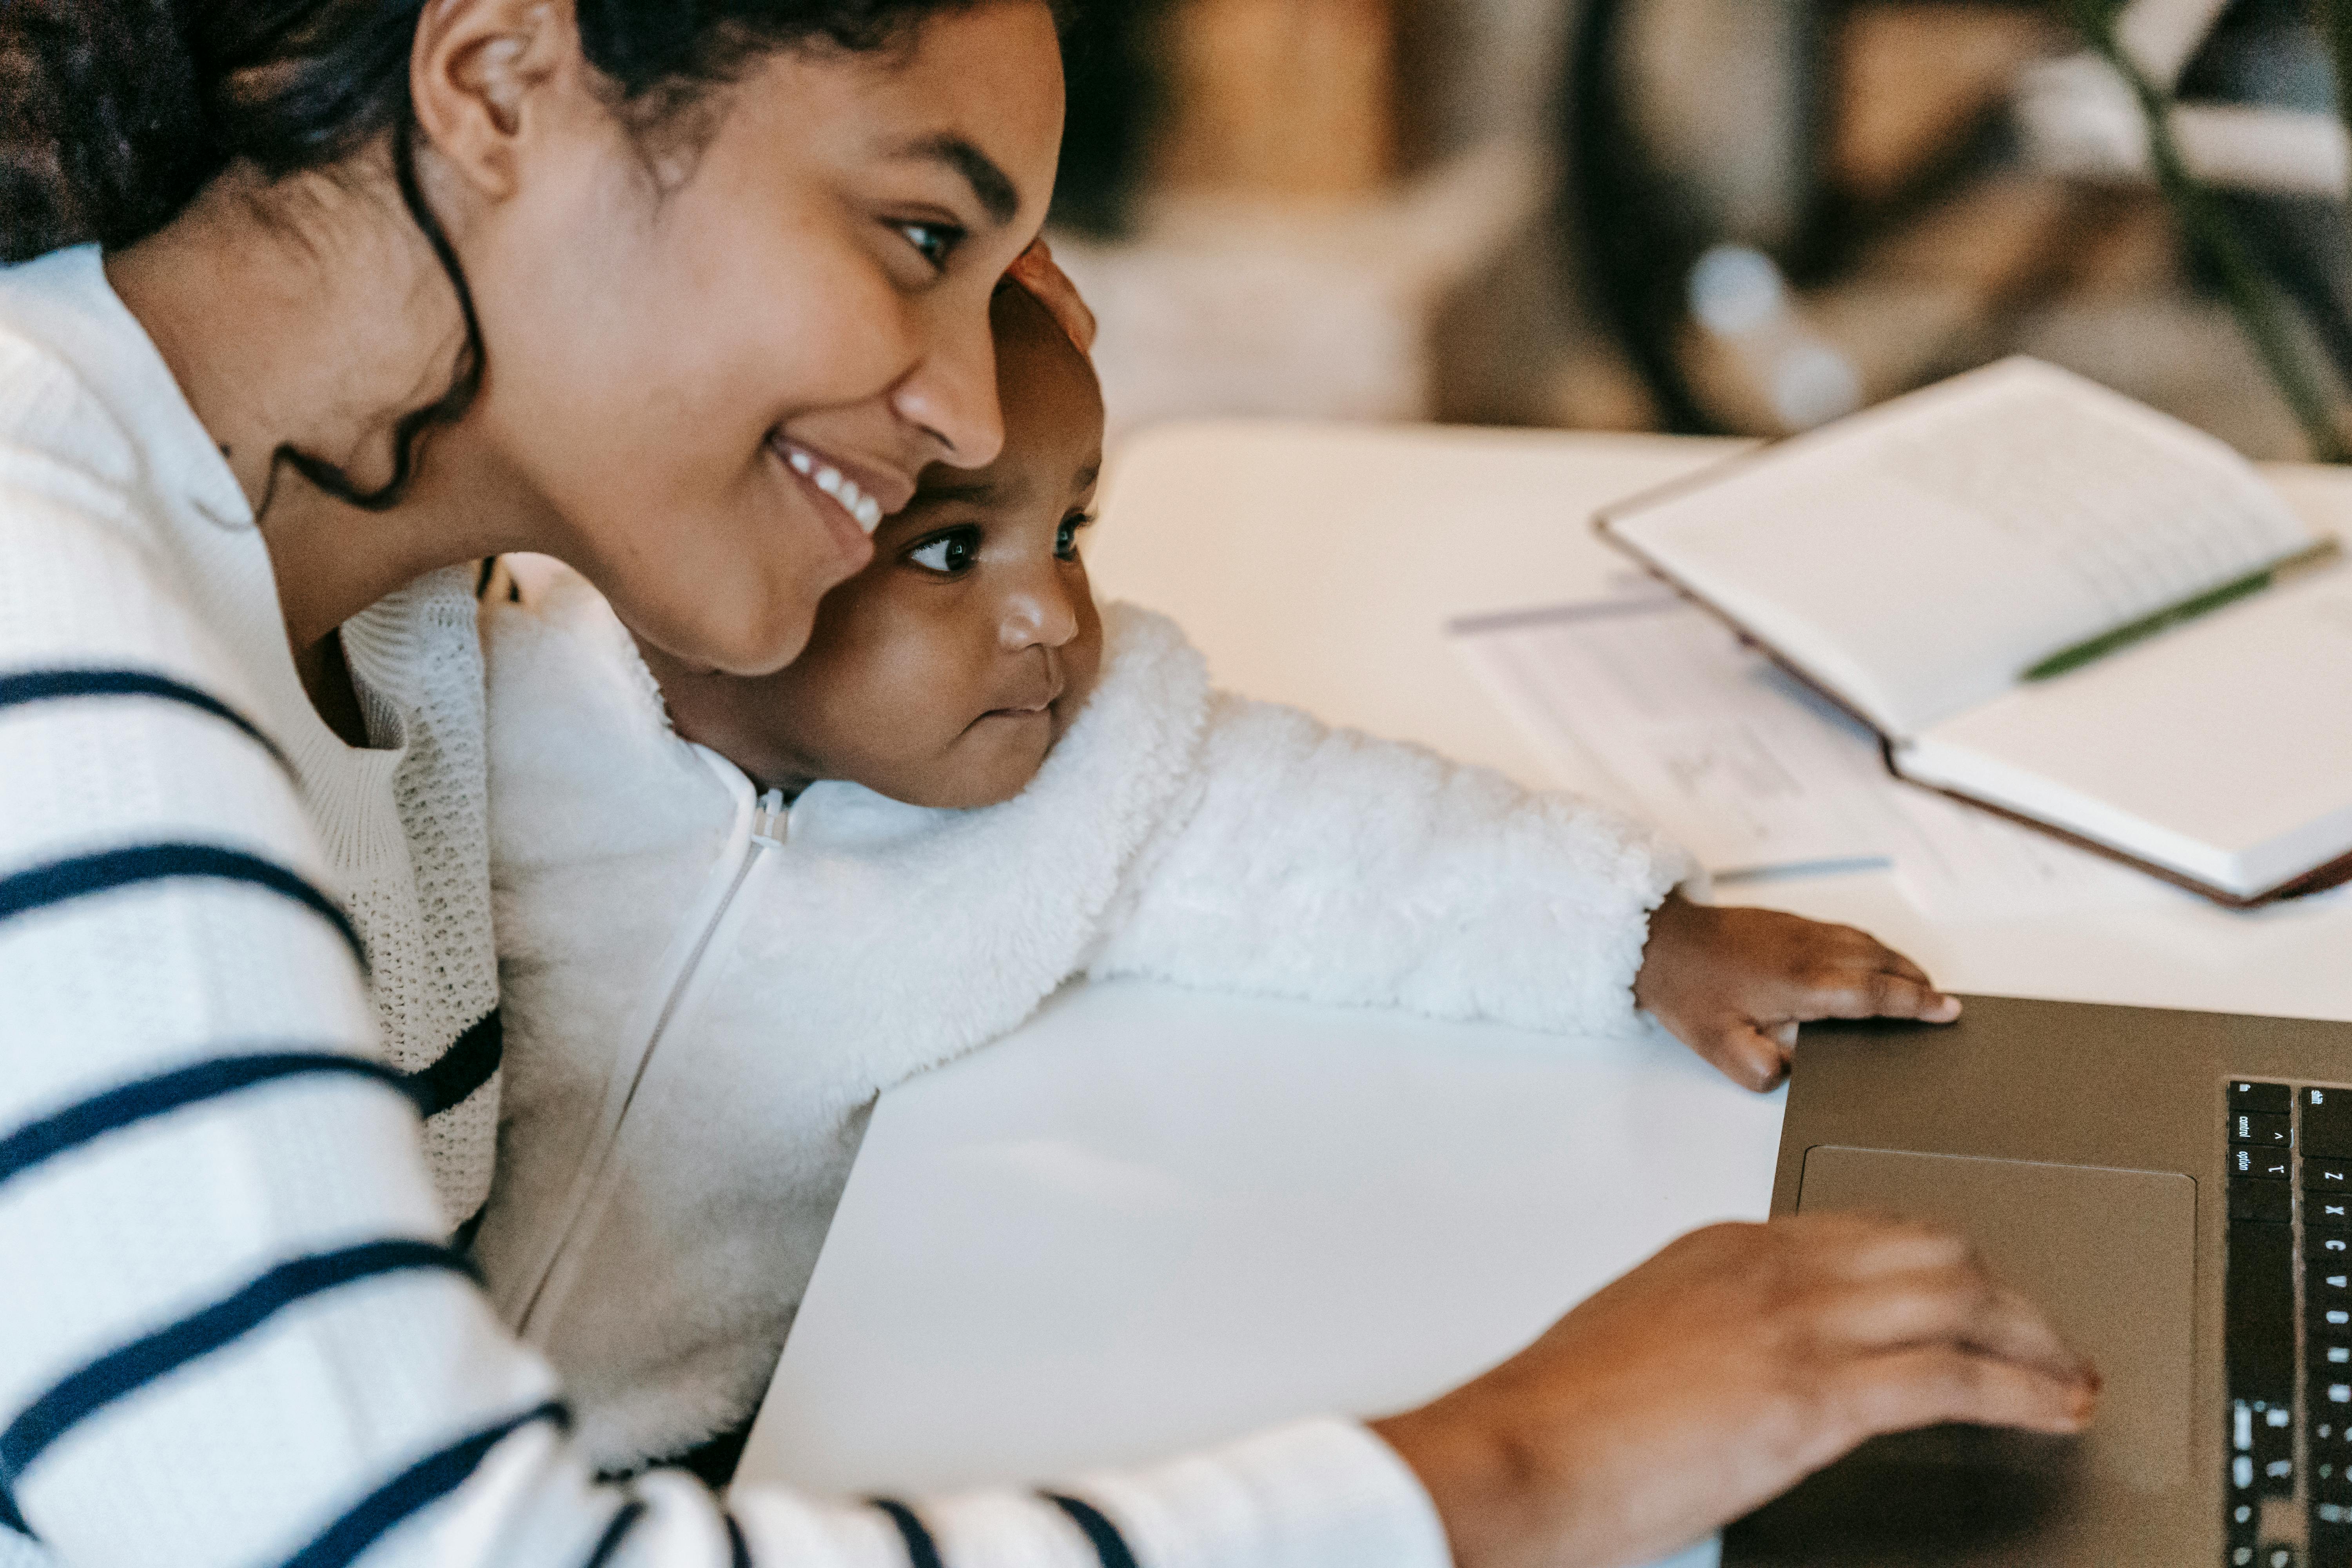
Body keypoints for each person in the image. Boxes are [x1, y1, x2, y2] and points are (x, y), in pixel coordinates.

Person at [0, 2, 2096, 1567]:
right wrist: (1516, 1466)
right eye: (914, 232)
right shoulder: (60, 655)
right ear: (492, 84)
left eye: (996, 283)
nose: (956, 399)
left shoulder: (381, 619)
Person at [476, 279, 1990, 1484]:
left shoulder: (1074, 773)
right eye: (948, 554)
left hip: (729, 1441)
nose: (1051, 614)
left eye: (1069, 529)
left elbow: (1333, 842)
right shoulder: (493, 701)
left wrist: (1640, 936)